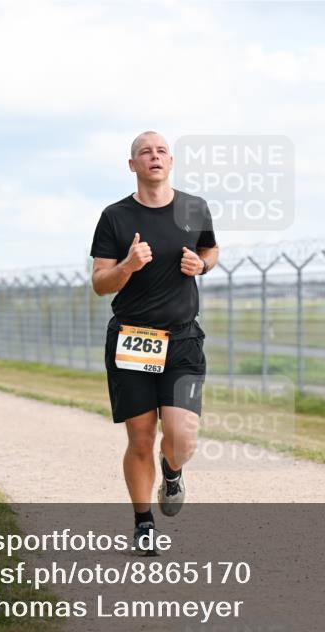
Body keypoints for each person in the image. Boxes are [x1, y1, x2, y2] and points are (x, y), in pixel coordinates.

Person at [90, 131, 219, 556]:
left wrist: (201, 264)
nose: (154, 156)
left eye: (161, 150)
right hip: (133, 339)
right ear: (133, 165)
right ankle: (143, 522)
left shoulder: (194, 207)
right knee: (141, 437)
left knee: (183, 436)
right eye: (145, 152)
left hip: (182, 337)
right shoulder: (115, 217)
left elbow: (212, 250)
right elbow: (99, 284)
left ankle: (173, 469)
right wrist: (127, 265)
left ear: (171, 161)